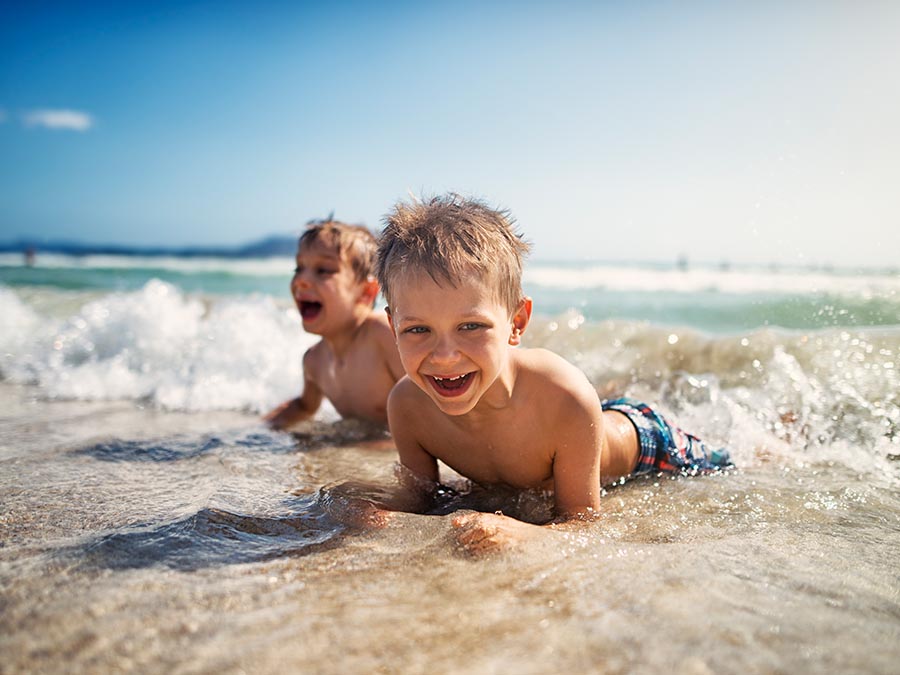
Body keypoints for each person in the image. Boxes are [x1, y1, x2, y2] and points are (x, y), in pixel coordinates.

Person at [373, 194, 732, 554]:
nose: (446, 357)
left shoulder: (564, 396)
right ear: (392, 325)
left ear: (517, 322)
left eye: (471, 326)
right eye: (418, 330)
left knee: (729, 464)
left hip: (650, 443)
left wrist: (523, 534)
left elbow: (584, 523)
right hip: (575, 432)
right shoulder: (408, 407)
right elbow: (421, 498)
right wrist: (375, 514)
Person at [264, 218, 405, 430]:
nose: (301, 280)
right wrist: (258, 429)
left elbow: (427, 405)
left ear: (366, 292)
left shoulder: (382, 337)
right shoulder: (314, 361)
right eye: (298, 268)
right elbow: (304, 407)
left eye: (323, 270)